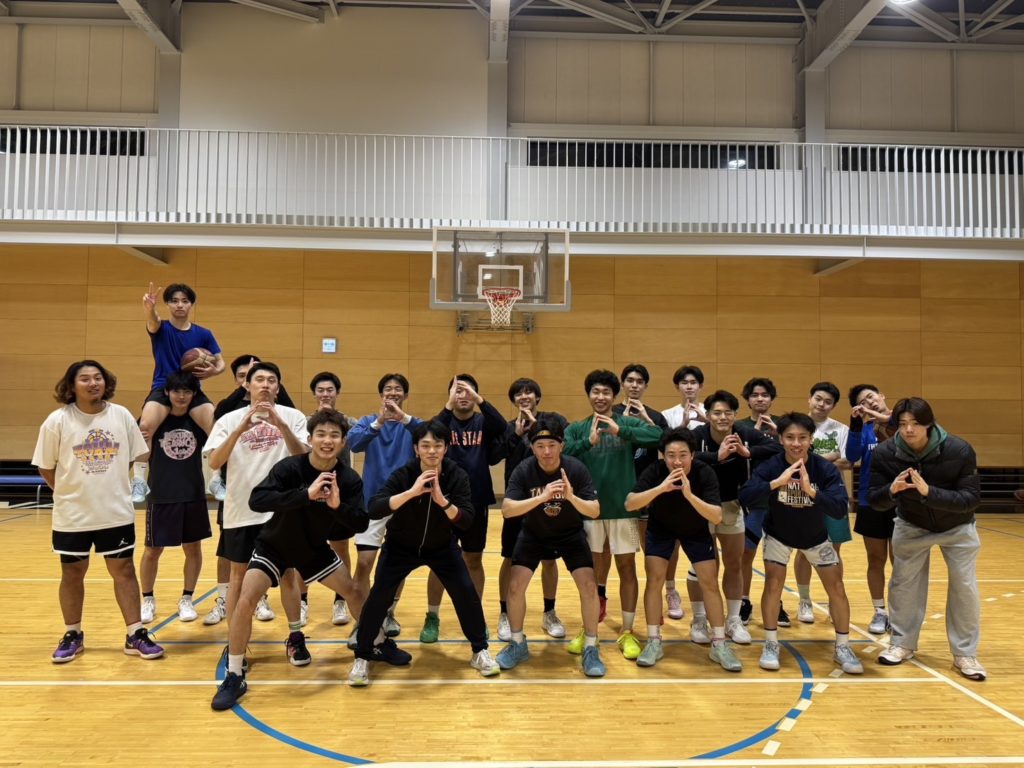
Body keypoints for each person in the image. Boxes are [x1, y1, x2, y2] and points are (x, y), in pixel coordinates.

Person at [213, 410, 384, 710]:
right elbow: (258, 500)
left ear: (343, 442)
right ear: (310, 439)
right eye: (321, 434)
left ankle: (379, 643)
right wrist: (305, 495)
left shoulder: (348, 478)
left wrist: (336, 506)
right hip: (273, 546)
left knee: (354, 592)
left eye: (334, 435)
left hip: (313, 549)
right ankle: (234, 674)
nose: (327, 441)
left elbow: (359, 522)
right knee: (245, 599)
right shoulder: (290, 467)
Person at [348, 420, 500, 686]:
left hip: (442, 547)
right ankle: (362, 656)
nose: (432, 451)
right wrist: (411, 492)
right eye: (425, 445)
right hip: (400, 547)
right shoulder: (404, 474)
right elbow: (375, 507)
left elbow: (466, 520)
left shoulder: (456, 475)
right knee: (379, 597)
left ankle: (480, 651)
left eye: (437, 445)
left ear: (446, 448)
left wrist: (442, 501)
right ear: (416, 449)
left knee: (466, 593)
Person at [33, 360, 163, 663]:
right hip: (72, 516)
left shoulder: (121, 416)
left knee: (124, 570)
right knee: (72, 572)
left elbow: (132, 457)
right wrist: (69, 492)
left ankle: (135, 634)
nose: (93, 383)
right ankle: (73, 634)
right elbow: (45, 467)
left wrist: (108, 484)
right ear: (71, 385)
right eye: (85, 379)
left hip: (114, 513)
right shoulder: (57, 421)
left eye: (98, 378)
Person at [868, 398, 986, 681]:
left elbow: (970, 499)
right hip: (912, 523)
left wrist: (929, 493)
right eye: (903, 424)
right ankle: (902, 644)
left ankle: (965, 653)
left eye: (915, 424)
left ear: (929, 424)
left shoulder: (959, 449)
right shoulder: (885, 453)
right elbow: (874, 499)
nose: (909, 430)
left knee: (964, 586)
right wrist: (891, 491)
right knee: (903, 584)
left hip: (957, 525)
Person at [738, 413, 862, 675]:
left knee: (837, 588)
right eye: (790, 437)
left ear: (811, 439)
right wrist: (776, 483)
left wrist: (811, 491)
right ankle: (771, 644)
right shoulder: (771, 466)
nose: (796, 443)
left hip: (816, 537)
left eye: (802, 438)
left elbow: (839, 508)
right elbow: (745, 495)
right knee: (773, 585)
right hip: (778, 535)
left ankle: (842, 647)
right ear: (781, 439)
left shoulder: (824, 469)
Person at [203, 363, 310, 663]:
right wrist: (240, 429)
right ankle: (235, 642)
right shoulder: (229, 420)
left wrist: (281, 426)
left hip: (281, 511)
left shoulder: (294, 417)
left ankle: (295, 637)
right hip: (241, 510)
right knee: (238, 577)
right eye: (259, 379)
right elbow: (214, 463)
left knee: (288, 574)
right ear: (246, 386)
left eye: (271, 380)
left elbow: (303, 459)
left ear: (278, 387)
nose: (265, 384)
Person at [564, 370, 661, 659]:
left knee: (627, 569)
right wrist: (588, 442)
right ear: (588, 395)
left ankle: (627, 631)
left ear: (614, 396)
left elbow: (658, 436)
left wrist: (622, 432)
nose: (601, 397)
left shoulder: (626, 423)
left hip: (623, 510)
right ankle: (590, 629)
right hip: (590, 510)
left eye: (606, 392)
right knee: (592, 572)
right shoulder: (578, 428)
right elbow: (564, 452)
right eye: (595, 391)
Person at [626, 428, 741, 671]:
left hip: (696, 531)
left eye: (682, 455)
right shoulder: (656, 471)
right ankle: (654, 641)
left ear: (692, 455)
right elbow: (630, 503)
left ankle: (719, 644)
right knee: (654, 581)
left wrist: (688, 495)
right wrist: (661, 488)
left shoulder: (704, 472)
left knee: (709, 582)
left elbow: (716, 516)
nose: (677, 461)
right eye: (671, 455)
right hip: (660, 530)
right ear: (663, 456)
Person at [497, 420, 605, 677]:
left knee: (589, 586)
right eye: (540, 446)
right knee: (515, 586)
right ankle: (517, 643)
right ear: (532, 448)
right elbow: (507, 510)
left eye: (552, 445)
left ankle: (591, 646)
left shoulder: (575, 469)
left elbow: (594, 510)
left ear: (561, 446)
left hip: (570, 534)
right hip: (534, 534)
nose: (546, 451)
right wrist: (542, 497)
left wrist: (571, 497)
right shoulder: (524, 470)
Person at [688, 390, 781, 646]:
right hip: (700, 506)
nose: (722, 417)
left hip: (732, 505)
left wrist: (747, 451)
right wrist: (715, 457)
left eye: (728, 412)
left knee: (734, 564)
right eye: (717, 412)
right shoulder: (697, 435)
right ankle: (699, 619)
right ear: (707, 415)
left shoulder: (744, 433)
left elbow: (775, 446)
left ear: (735, 415)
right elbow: (679, 453)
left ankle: (733, 619)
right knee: (701, 566)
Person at [421, 374, 507, 644]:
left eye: (468, 391)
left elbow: (502, 427)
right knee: (438, 560)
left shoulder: (483, 422)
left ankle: (475, 616)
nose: (463, 395)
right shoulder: (444, 423)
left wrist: (481, 400)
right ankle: (432, 616)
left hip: (476, 501)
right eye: (457, 391)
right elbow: (432, 431)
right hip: (443, 499)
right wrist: (448, 406)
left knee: (473, 559)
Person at [134, 283, 225, 503]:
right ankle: (138, 481)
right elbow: (153, 321)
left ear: (191, 304)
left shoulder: (203, 333)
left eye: (184, 301)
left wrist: (214, 371)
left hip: (193, 388)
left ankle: (216, 478)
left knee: (217, 428)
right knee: (144, 427)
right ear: (167, 304)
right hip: (163, 386)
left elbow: (221, 362)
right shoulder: (161, 328)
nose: (179, 305)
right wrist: (149, 308)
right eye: (174, 301)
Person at [348, 374, 421, 638]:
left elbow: (431, 436)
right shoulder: (368, 421)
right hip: (373, 502)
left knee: (398, 564)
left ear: (405, 395)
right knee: (364, 563)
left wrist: (403, 418)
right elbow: (354, 443)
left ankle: (389, 612)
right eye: (388, 389)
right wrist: (379, 422)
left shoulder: (412, 425)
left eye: (398, 389)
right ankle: (364, 619)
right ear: (381, 395)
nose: (392, 392)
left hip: (405, 504)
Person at [497, 377, 569, 642]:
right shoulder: (508, 427)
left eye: (529, 392)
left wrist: (536, 427)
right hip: (519, 503)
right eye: (519, 393)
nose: (524, 396)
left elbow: (567, 445)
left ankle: (549, 612)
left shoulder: (553, 420)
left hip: (549, 502)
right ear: (513, 400)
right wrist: (517, 434)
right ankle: (505, 613)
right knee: (509, 558)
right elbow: (496, 455)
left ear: (537, 397)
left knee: (549, 560)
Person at [139, 371, 211, 625]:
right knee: (152, 550)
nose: (182, 396)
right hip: (161, 494)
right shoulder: (155, 419)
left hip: (192, 493)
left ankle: (187, 598)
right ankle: (147, 599)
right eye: (177, 391)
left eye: (187, 391)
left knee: (193, 549)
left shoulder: (198, 421)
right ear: (167, 393)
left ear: (194, 394)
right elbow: (139, 447)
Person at [612, 364, 679, 620]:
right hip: (619, 492)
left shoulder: (655, 416)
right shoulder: (612, 414)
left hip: (648, 492)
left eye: (639, 381)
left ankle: (662, 597)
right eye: (630, 380)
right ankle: (603, 597)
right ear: (622, 384)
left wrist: (647, 421)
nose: (634, 385)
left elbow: (668, 446)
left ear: (645, 386)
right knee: (621, 557)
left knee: (654, 551)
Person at [303, 371, 359, 628]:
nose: (325, 394)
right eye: (321, 390)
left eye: (330, 390)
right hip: (309, 494)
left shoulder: (350, 422)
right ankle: (302, 601)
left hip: (339, 494)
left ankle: (340, 601)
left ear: (337, 393)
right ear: (314, 393)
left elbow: (362, 440)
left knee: (340, 547)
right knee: (303, 548)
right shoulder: (305, 422)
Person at [794, 381, 851, 624]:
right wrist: (830, 457)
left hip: (832, 494)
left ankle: (833, 599)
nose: (822, 404)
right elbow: (794, 459)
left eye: (828, 402)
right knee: (803, 550)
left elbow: (846, 462)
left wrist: (813, 460)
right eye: (818, 399)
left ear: (833, 405)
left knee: (834, 550)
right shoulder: (797, 426)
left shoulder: (841, 429)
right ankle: (804, 600)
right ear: (809, 399)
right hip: (800, 495)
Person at [735, 377, 789, 627]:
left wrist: (779, 435)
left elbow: (793, 452)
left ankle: (775, 601)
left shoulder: (782, 425)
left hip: (779, 501)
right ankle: (743, 600)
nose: (760, 399)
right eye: (755, 395)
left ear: (771, 398)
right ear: (747, 399)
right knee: (746, 553)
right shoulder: (739, 426)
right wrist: (755, 436)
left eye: (765, 395)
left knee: (776, 555)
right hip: (752, 501)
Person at [845, 384, 895, 635]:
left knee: (901, 561)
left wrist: (885, 421)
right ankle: (880, 611)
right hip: (871, 499)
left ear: (882, 396)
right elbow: (851, 455)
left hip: (901, 501)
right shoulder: (864, 430)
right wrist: (855, 426)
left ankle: (899, 612)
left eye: (872, 396)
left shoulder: (902, 421)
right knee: (875, 559)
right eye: (863, 401)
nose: (870, 402)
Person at [662, 364, 708, 429]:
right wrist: (683, 424)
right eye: (684, 383)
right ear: (677, 387)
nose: (689, 387)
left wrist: (706, 421)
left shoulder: (709, 412)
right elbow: (666, 435)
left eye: (693, 383)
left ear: (700, 386)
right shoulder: (667, 415)